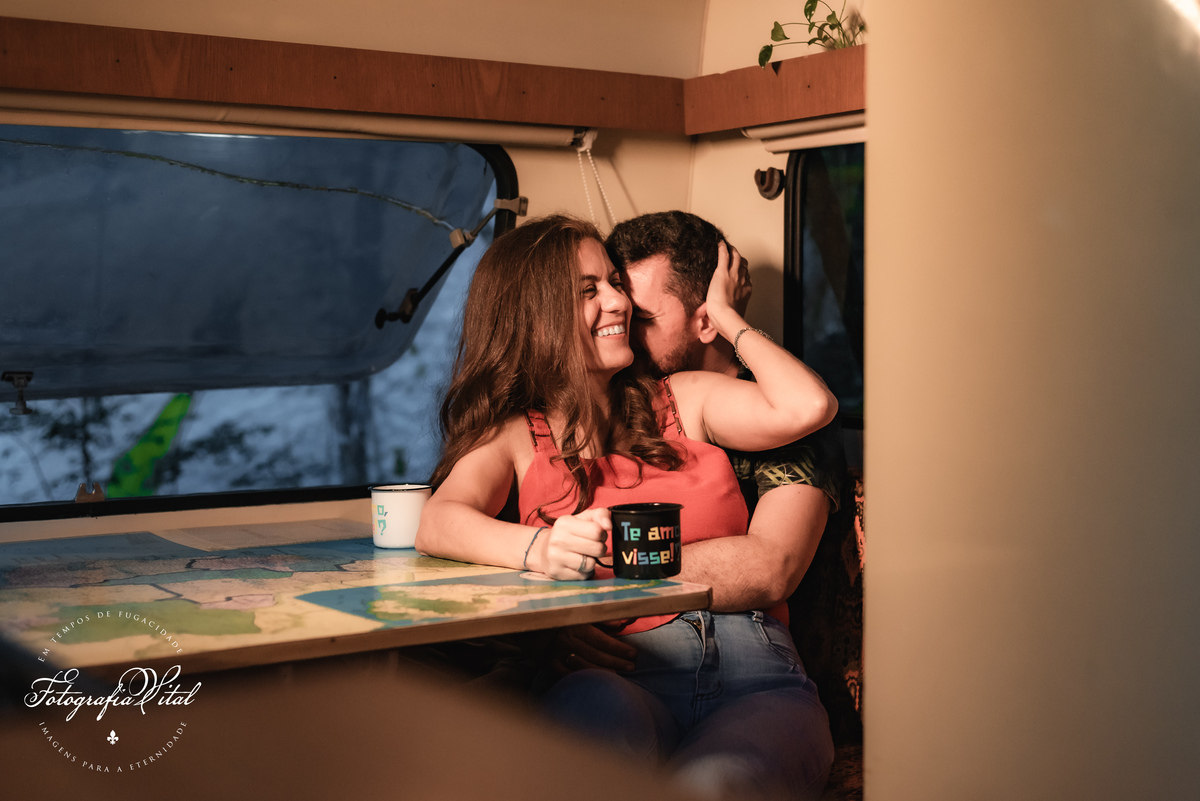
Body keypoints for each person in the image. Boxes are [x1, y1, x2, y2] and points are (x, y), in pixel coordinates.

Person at [415, 214, 837, 800]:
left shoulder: (684, 400)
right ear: (536, 316)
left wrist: (728, 316)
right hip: (623, 676)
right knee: (590, 733)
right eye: (590, 290)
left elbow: (809, 407)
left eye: (614, 282)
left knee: (710, 786)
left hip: (757, 679)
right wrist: (542, 551)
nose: (618, 301)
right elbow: (437, 521)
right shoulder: (515, 436)